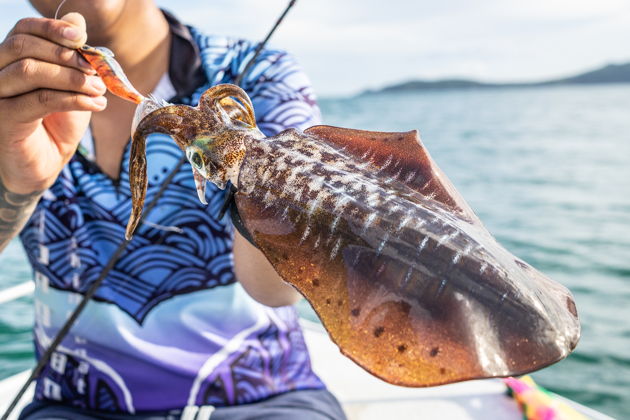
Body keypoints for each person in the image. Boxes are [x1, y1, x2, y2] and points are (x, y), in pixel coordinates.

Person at [0, 1, 347, 419]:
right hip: (72, 404)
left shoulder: (257, 71)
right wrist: (18, 183)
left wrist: (256, 167)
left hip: (264, 395)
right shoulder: (9, 97)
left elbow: (278, 291)